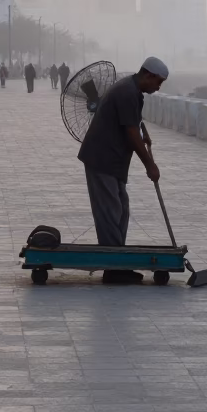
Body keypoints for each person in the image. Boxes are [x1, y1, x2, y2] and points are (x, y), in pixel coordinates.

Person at [77, 56, 168, 283]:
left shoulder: (132, 91)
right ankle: (113, 268)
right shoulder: (127, 92)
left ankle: (117, 261)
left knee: (120, 209)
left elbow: (132, 122)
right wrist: (150, 164)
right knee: (110, 212)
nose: (158, 87)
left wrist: (142, 129)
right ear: (147, 75)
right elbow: (130, 133)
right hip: (103, 158)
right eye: (158, 82)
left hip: (114, 160)